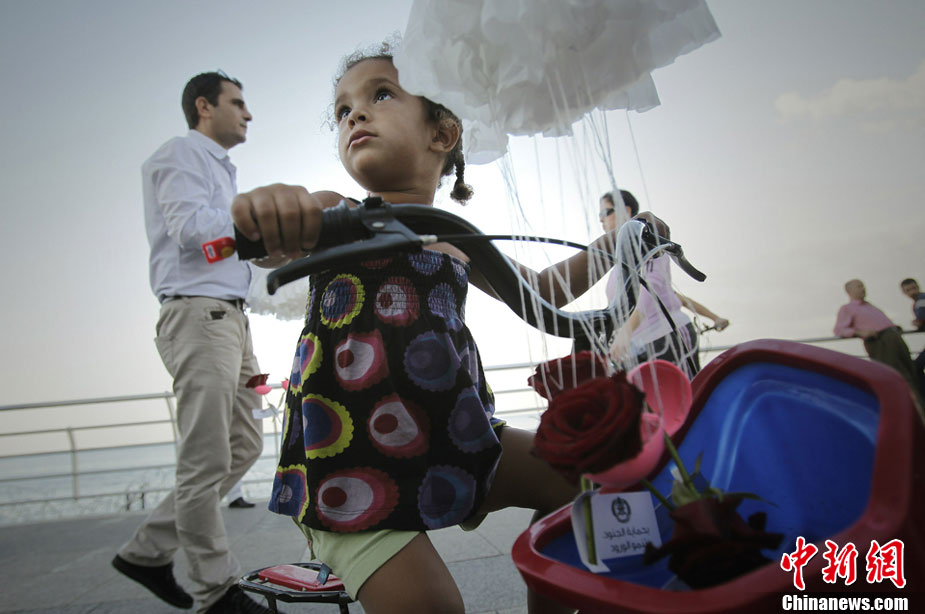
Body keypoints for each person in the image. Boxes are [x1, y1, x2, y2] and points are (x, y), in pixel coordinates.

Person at [230, 45, 651, 614]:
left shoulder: (455, 235)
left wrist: (620, 241)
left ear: (443, 132)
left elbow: (543, 292)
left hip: (457, 437)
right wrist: (270, 212)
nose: (355, 114)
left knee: (591, 477)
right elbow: (279, 234)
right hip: (349, 469)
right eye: (342, 110)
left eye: (381, 94)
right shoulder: (336, 213)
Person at [112, 71, 274, 614]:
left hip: (232, 321)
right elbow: (190, 230)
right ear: (204, 106)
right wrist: (256, 222)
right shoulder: (179, 154)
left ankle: (146, 551)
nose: (248, 113)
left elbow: (222, 248)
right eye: (238, 103)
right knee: (206, 458)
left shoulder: (220, 169)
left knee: (245, 444)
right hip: (199, 318)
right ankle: (216, 591)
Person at [602, 190, 729, 379]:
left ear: (625, 210)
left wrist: (625, 333)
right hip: (639, 348)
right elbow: (675, 297)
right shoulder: (619, 263)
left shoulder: (650, 246)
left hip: (669, 339)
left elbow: (649, 294)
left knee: (686, 394)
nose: (601, 219)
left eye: (605, 212)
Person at [835, 279, 923, 410]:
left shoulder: (870, 306)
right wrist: (860, 332)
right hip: (881, 343)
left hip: (894, 338)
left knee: (913, 374)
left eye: (863, 286)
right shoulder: (847, 308)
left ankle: (921, 409)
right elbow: (840, 330)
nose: (863, 288)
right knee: (899, 379)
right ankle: (912, 412)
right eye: (859, 286)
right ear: (849, 291)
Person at [899, 277, 925, 392]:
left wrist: (918, 322)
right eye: (908, 290)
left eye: (914, 288)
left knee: (916, 367)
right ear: (904, 292)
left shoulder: (921, 299)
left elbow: (922, 317)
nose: (912, 292)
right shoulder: (917, 303)